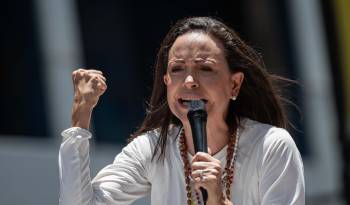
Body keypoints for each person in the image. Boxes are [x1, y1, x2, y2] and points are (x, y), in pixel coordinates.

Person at [59, 17, 305, 205]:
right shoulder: (154, 148)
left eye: (205, 69)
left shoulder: (271, 146)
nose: (189, 81)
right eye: (177, 69)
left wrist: (219, 201)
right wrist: (80, 117)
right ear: (166, 81)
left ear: (234, 84)